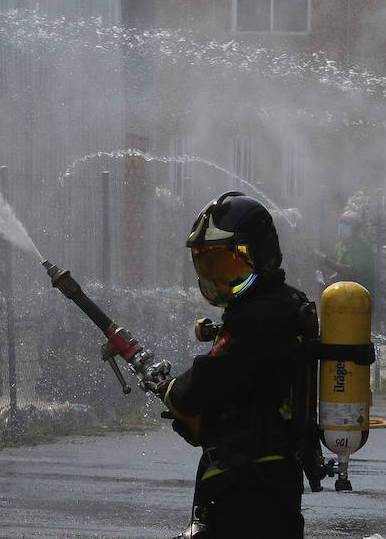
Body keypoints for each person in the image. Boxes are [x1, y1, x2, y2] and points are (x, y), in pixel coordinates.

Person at [159, 191, 308, 538]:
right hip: (267, 481)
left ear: (262, 255)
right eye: (210, 267)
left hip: (249, 487)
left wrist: (170, 390)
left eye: (229, 266)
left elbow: (202, 386)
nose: (220, 280)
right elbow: (247, 386)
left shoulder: (259, 316)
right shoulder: (284, 303)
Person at [320, 211, 374, 294]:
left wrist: (325, 260)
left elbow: (351, 272)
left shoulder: (363, 247)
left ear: (357, 228)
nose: (341, 225)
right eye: (340, 222)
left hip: (361, 297)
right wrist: (328, 280)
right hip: (344, 296)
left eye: (346, 223)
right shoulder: (339, 246)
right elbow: (340, 273)